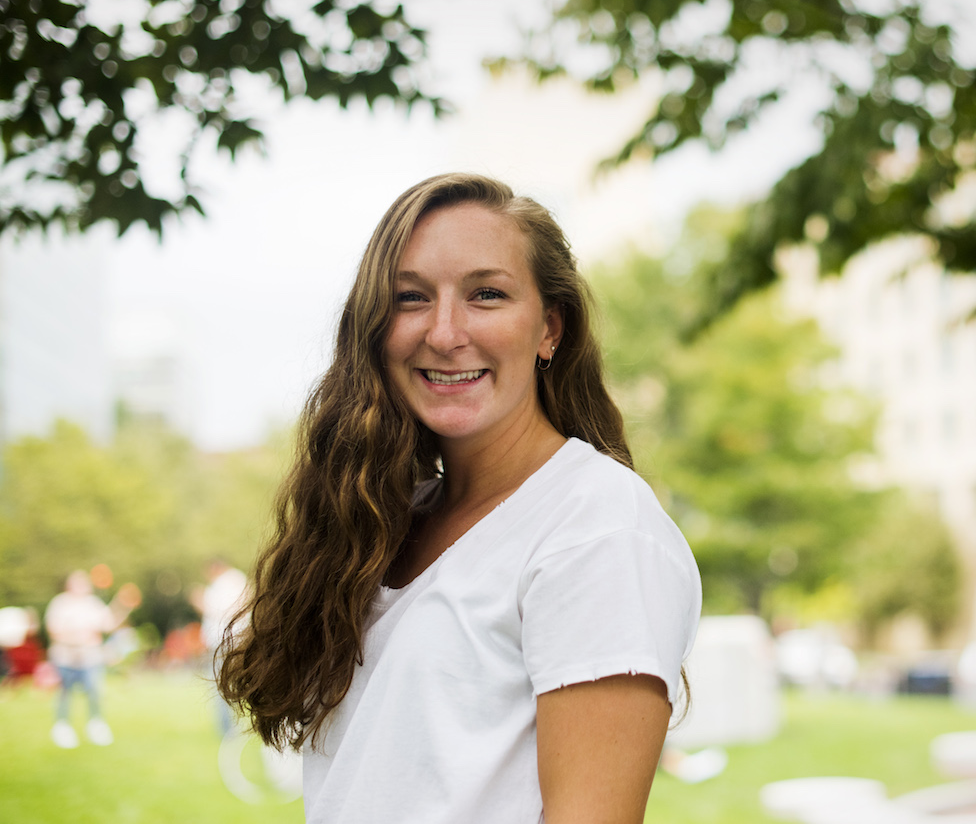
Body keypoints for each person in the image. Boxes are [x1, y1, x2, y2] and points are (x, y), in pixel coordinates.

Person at [218, 174, 702, 824]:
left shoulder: (597, 525)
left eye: (487, 294)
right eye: (410, 297)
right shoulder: (384, 519)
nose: (445, 333)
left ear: (548, 329)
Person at [44, 571, 140, 748]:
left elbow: (108, 624)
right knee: (64, 694)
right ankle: (62, 727)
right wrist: (79, 636)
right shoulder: (60, 603)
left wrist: (123, 604)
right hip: (65, 658)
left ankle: (96, 726)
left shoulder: (92, 604)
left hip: (90, 658)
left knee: (95, 692)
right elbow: (54, 630)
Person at [193, 557, 248, 735]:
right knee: (227, 686)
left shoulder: (227, 584)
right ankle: (231, 728)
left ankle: (228, 730)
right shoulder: (236, 581)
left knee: (222, 686)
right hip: (229, 642)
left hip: (225, 643)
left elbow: (223, 613)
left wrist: (201, 602)